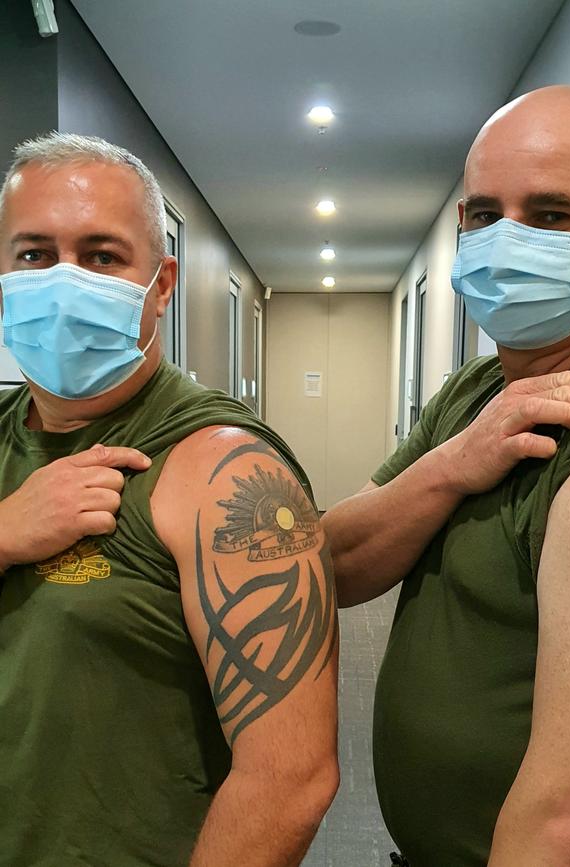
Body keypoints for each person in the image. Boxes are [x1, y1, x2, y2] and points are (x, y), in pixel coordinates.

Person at [323, 85, 570, 866]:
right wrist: (451, 466)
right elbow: (332, 560)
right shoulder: (477, 394)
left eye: (551, 215)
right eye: (483, 214)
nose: (508, 240)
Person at [0, 133, 338, 866]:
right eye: (32, 254)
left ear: (161, 282)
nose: (62, 280)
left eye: (101, 255)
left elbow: (291, 779)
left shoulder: (227, 475)